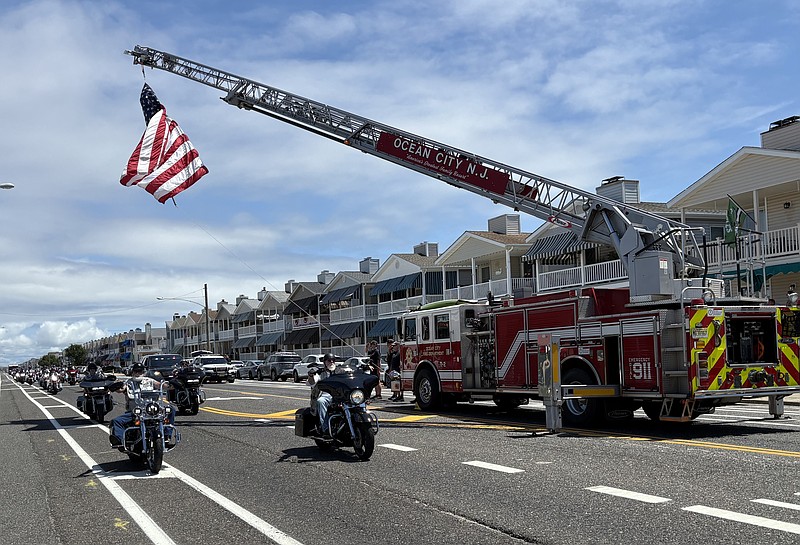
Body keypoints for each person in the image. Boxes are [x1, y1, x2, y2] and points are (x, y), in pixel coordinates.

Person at [109, 363, 175, 448]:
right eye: (136, 371)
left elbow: (161, 385)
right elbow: (121, 389)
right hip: (135, 412)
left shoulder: (149, 380)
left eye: (140, 371)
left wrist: (172, 384)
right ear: (132, 372)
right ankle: (120, 441)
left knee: (170, 410)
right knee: (116, 421)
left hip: (152, 410)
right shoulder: (128, 383)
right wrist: (116, 387)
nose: (138, 373)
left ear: (143, 372)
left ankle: (166, 436)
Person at [308, 353, 337, 436]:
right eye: (329, 361)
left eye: (333, 360)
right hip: (326, 396)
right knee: (321, 401)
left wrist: (364, 368)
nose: (331, 362)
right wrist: (311, 375)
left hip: (339, 395)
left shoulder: (338, 371)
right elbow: (311, 382)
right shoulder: (320, 373)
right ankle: (326, 428)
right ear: (324, 362)